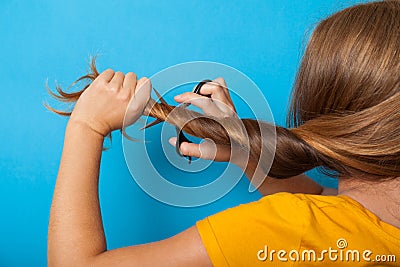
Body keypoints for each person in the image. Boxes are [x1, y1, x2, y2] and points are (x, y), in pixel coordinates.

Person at [47, 1, 400, 266]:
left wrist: (86, 127)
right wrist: (243, 152)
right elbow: (332, 207)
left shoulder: (288, 228)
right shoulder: (354, 230)